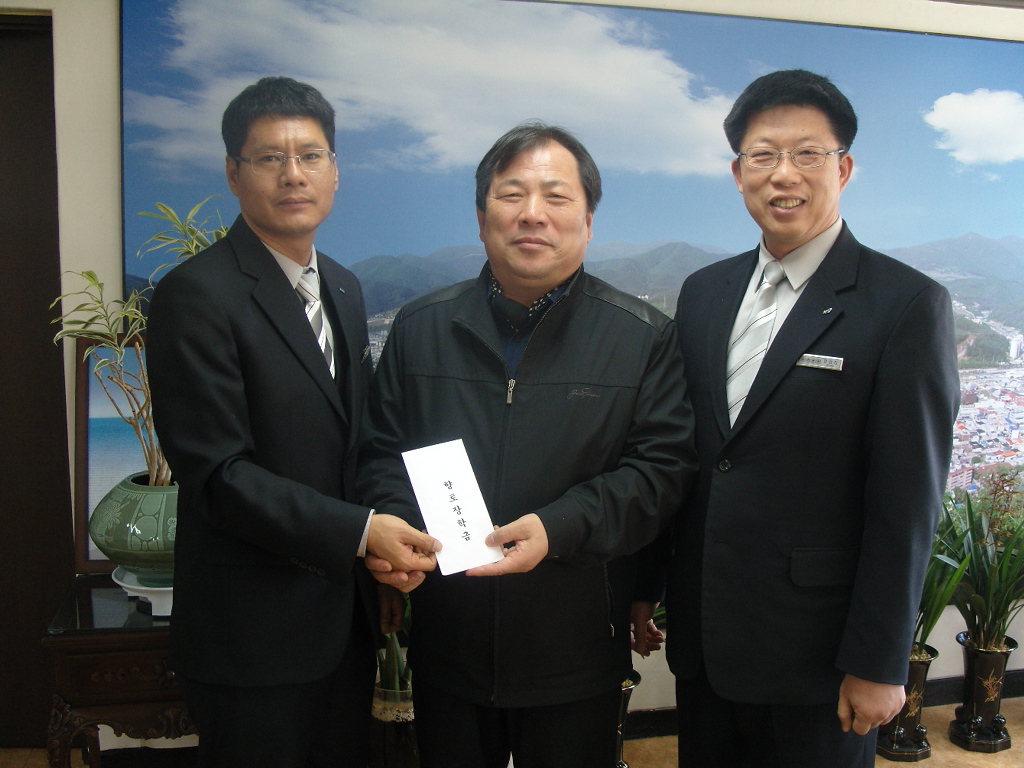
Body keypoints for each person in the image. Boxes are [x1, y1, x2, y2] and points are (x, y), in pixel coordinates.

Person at [636, 69, 961, 767]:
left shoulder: (905, 304)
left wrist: (879, 660)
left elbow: (907, 501)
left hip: (819, 658)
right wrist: (646, 587)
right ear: (738, 174)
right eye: (763, 155)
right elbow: (684, 455)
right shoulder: (703, 291)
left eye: (808, 153)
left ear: (843, 168)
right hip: (705, 638)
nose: (784, 174)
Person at [357, 121, 697, 768]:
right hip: (448, 643)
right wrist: (393, 524)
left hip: (575, 650)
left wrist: (556, 527)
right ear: (481, 217)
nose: (532, 213)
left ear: (588, 221)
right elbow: (380, 453)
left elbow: (661, 473)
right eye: (512, 194)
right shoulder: (420, 328)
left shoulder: (641, 336)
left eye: (556, 196)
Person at [146, 76, 439, 768]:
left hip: (343, 617)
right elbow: (219, 475)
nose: (292, 174)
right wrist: (361, 533)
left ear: (334, 171)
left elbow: (361, 440)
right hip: (250, 633)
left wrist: (379, 558)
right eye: (269, 158)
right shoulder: (194, 294)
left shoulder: (343, 285)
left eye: (310, 155)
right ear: (232, 173)